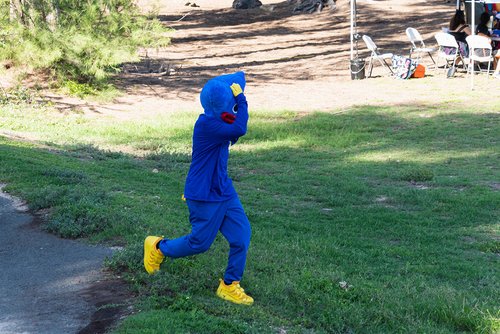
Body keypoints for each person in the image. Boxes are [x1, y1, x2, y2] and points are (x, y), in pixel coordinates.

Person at [143, 71, 254, 305]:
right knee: (199, 243)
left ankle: (229, 285)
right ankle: (158, 247)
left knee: (241, 236)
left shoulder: (220, 118)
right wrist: (242, 99)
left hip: (224, 190)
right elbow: (240, 129)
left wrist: (234, 89)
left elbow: (233, 119)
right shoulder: (206, 126)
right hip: (203, 195)